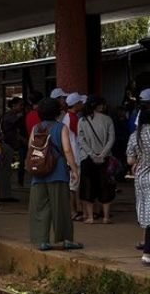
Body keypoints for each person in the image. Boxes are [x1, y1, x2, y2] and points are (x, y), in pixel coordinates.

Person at [28, 97, 83, 251]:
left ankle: (42, 241)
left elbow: (30, 149)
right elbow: (67, 150)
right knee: (61, 208)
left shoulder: (35, 128)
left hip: (38, 173)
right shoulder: (61, 128)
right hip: (58, 172)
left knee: (40, 207)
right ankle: (65, 240)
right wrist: (74, 169)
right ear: (57, 112)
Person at [77, 96, 116, 224]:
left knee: (88, 186)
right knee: (106, 186)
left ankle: (90, 217)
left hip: (87, 159)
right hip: (105, 158)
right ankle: (105, 217)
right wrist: (103, 154)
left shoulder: (82, 120)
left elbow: (81, 140)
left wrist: (92, 154)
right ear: (98, 106)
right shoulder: (108, 119)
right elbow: (111, 139)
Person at [126, 109, 150, 265]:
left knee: (147, 215)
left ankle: (147, 253)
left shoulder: (135, 136)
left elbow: (130, 160)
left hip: (141, 178)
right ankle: (147, 252)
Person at [64, 92, 86, 222]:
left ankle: (75, 209)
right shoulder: (73, 118)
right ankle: (73, 211)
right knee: (73, 186)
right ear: (76, 104)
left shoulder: (69, 117)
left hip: (73, 154)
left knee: (74, 186)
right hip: (75, 156)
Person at [0, 97, 25, 202]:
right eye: (20, 105)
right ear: (13, 105)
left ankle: (5, 193)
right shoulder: (10, 117)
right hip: (8, 144)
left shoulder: (10, 116)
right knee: (5, 171)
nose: (21, 108)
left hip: (10, 144)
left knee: (6, 171)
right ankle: (4, 194)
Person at [24, 91, 44, 185]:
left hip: (32, 145)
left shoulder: (29, 115)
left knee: (36, 173)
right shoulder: (41, 114)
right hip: (43, 146)